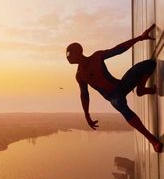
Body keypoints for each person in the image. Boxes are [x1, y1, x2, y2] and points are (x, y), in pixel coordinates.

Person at [66, 24, 163, 153]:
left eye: (69, 54)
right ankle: (153, 140)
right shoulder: (80, 76)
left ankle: (141, 89)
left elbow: (118, 50)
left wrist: (139, 38)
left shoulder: (97, 57)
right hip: (113, 97)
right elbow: (84, 95)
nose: (67, 57)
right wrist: (87, 115)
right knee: (120, 103)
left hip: (121, 86)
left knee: (149, 64)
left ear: (78, 52)